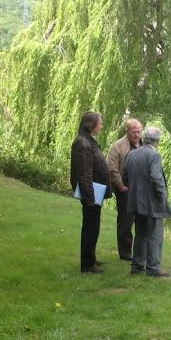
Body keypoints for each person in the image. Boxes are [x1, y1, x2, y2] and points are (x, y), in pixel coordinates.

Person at [125, 126, 171, 277]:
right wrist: (162, 196)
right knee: (154, 235)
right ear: (157, 141)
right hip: (152, 202)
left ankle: (138, 265)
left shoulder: (132, 154)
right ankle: (153, 268)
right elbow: (156, 177)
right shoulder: (154, 155)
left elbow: (124, 176)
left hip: (136, 201)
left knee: (140, 234)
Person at [70, 111, 111, 273]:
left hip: (95, 191)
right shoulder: (84, 144)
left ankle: (91, 258)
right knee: (90, 228)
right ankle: (87, 264)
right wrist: (89, 197)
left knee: (93, 227)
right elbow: (85, 173)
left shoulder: (88, 141)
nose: (101, 126)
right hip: (92, 192)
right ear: (91, 125)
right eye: (99, 123)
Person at [106, 118, 143, 260]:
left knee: (141, 220)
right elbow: (112, 168)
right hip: (125, 189)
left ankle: (140, 250)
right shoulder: (117, 146)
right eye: (134, 132)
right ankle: (125, 252)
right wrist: (121, 186)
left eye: (139, 131)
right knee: (125, 222)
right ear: (127, 131)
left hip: (141, 189)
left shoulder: (143, 144)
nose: (137, 135)